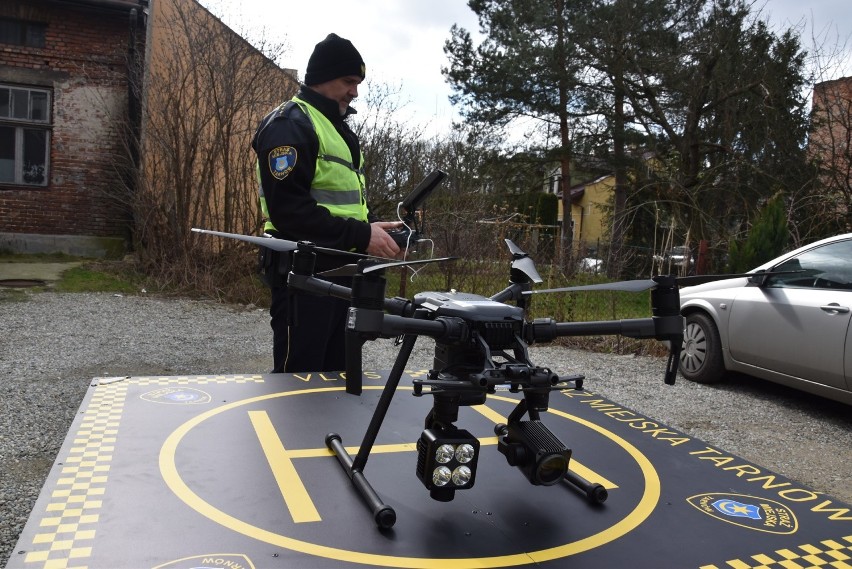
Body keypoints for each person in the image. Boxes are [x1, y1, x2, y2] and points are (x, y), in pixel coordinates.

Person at [252, 33, 402, 374]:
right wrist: (361, 235)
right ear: (321, 79)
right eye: (348, 81)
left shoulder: (338, 129)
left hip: (342, 275)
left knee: (338, 380)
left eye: (358, 83)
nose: (355, 91)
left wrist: (375, 229)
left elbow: (346, 205)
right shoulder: (290, 125)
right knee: (299, 383)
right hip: (304, 277)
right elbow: (289, 212)